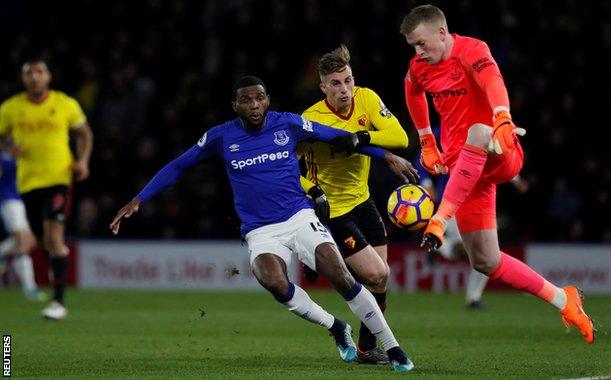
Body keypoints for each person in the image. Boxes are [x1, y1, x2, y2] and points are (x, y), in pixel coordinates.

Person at [110, 76, 416, 372]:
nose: (254, 105)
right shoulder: (221, 137)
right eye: (246, 100)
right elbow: (179, 165)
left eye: (259, 98)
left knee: (341, 275)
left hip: (299, 216)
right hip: (260, 230)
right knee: (271, 280)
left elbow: (340, 138)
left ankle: (392, 348)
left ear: (267, 100)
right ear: (236, 106)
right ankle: (335, 327)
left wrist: (386, 155)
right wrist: (138, 199)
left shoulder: (289, 123)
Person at [401, 5, 594, 343]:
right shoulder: (420, 67)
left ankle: (439, 220)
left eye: (421, 43)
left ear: (442, 33)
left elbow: (492, 80)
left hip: (500, 149)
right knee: (485, 261)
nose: (418, 52)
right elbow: (412, 90)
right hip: (468, 172)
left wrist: (502, 117)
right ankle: (565, 300)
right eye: (413, 46)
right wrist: (426, 138)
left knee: (478, 130)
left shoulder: (472, 50)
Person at [297, 45, 409, 364]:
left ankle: (364, 349)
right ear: (323, 87)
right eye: (336, 83)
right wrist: (310, 189)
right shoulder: (310, 119)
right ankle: (316, 250)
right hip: (333, 210)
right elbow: (287, 165)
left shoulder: (367, 98)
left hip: (364, 201)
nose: (345, 89)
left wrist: (363, 137)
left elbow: (399, 136)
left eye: (348, 80)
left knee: (381, 278)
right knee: (374, 275)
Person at [0, 57, 94, 319]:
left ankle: (58, 303)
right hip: (28, 184)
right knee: (41, 242)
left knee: (54, 239)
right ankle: (55, 272)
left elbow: (84, 133)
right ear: (24, 79)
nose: (35, 77)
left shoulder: (64, 103)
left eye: (40, 72)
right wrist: (8, 147)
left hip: (58, 180)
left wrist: (82, 160)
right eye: (30, 73)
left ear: (48, 76)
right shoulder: (10, 108)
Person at [0, 152, 46, 301]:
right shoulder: (3, 155)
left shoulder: (23, 152)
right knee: (21, 240)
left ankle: (1, 254)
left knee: (30, 240)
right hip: (9, 200)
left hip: (22, 198)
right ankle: (30, 289)